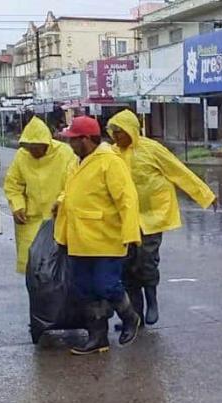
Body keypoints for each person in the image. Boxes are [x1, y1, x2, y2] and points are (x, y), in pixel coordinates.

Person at [106, 109, 216, 326]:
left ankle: (152, 302)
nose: (116, 137)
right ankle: (134, 314)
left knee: (146, 261)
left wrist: (206, 195)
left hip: (152, 216)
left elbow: (178, 171)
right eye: (114, 132)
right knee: (127, 265)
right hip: (125, 219)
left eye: (120, 132)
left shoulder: (151, 149)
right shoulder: (111, 153)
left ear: (131, 131)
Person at [53, 116, 142, 355]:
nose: (70, 144)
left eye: (74, 140)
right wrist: (60, 201)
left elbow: (127, 199)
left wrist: (131, 233)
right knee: (84, 289)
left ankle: (130, 317)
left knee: (106, 285)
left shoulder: (110, 162)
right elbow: (71, 191)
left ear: (87, 139)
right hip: (78, 238)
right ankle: (98, 337)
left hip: (106, 237)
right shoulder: (78, 162)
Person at [3, 116, 78, 273]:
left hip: (59, 219)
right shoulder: (22, 156)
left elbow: (73, 184)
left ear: (46, 143)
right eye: (29, 147)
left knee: (60, 268)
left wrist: (60, 202)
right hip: (31, 219)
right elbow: (13, 184)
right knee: (33, 268)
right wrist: (18, 206)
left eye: (36, 147)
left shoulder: (65, 154)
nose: (33, 151)